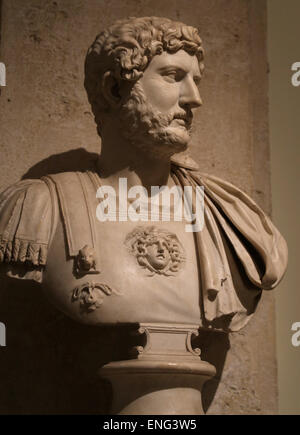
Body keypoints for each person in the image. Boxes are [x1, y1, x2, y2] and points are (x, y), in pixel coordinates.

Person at [0, 17, 288, 332]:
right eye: (173, 76)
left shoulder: (231, 216)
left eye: (195, 81)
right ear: (114, 88)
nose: (194, 98)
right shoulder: (39, 206)